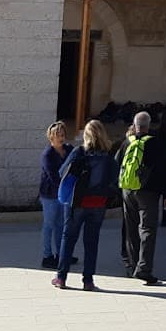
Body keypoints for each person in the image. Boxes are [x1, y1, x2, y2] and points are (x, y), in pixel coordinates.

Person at [53, 120, 118, 291]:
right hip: (98, 204)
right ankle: (88, 280)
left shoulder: (79, 152)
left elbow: (62, 173)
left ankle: (61, 277)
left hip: (77, 202)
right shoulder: (108, 157)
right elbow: (115, 180)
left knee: (68, 239)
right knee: (91, 242)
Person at [117, 111, 166, 284]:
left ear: (134, 125)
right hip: (148, 192)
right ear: (149, 125)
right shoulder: (156, 143)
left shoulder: (127, 142)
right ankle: (144, 268)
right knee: (147, 229)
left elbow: (117, 162)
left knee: (131, 227)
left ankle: (132, 265)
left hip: (127, 189)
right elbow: (165, 170)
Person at [38, 121, 72, 268]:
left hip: (63, 194)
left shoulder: (69, 150)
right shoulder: (48, 154)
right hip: (50, 194)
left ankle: (61, 254)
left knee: (61, 225)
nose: (61, 138)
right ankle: (47, 256)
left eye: (63, 135)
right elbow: (53, 177)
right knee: (49, 224)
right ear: (51, 137)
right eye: (58, 135)